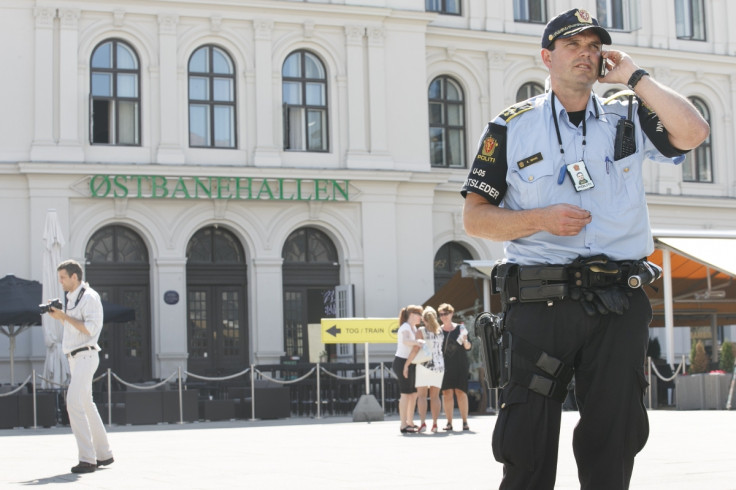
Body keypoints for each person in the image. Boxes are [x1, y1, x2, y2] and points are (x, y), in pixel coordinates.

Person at [461, 7, 709, 489]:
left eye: (594, 46)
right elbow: (475, 218)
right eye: (573, 45)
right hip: (540, 301)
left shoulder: (629, 113)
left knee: (614, 438)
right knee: (527, 440)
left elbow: (694, 133)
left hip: (618, 302)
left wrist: (636, 76)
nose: (586, 54)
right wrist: (540, 219)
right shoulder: (510, 127)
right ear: (546, 58)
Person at [47, 259, 114, 474]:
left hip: (86, 356)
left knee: (73, 403)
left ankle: (87, 458)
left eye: (63, 278)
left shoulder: (90, 297)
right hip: (74, 357)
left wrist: (64, 316)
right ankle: (104, 454)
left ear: (75, 276)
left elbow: (90, 330)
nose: (61, 282)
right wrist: (60, 316)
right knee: (86, 404)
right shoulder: (71, 297)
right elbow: (74, 328)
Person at [403, 306, 445, 433]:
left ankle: (422, 423)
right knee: (435, 396)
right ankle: (435, 424)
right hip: (439, 366)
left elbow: (415, 349)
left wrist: (406, 364)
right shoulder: (440, 331)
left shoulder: (421, 331)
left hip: (424, 365)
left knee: (421, 396)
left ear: (423, 319)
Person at [437, 303, 472, 431]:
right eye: (441, 314)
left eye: (446, 314)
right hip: (444, 366)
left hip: (460, 365)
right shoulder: (438, 330)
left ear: (451, 314)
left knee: (461, 392)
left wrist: (465, 341)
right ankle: (449, 423)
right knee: (447, 393)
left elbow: (468, 347)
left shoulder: (460, 328)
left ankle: (464, 422)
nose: (443, 316)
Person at [392, 305, 424, 434]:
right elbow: (405, 341)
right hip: (401, 362)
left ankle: (410, 421)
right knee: (405, 394)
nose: (420, 317)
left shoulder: (413, 328)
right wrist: (418, 342)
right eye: (418, 314)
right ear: (412, 315)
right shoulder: (405, 327)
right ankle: (403, 424)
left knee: (413, 394)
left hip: (410, 362)